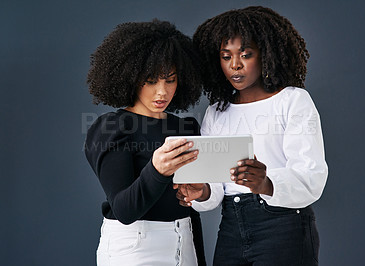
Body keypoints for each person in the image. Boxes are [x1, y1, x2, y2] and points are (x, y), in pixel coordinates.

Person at [175, 6, 328, 266]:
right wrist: (200, 191)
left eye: (246, 54)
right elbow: (216, 190)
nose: (235, 64)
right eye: (226, 56)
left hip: (283, 226)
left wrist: (265, 182)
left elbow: (312, 176)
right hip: (231, 226)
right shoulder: (216, 112)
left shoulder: (292, 101)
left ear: (265, 54)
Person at [84, 20, 206, 266]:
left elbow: (190, 210)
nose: (162, 92)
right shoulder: (112, 128)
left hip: (185, 243)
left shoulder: (186, 128)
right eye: (151, 80)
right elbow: (124, 210)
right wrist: (158, 170)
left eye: (170, 80)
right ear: (130, 77)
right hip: (133, 247)